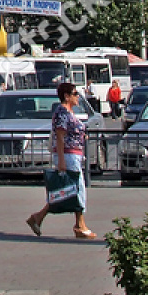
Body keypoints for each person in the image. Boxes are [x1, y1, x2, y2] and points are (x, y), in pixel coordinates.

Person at [25, 82, 96, 240]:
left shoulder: (69, 112)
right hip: (68, 155)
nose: (78, 97)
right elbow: (60, 136)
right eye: (75, 93)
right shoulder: (62, 112)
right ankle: (80, 226)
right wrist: (62, 160)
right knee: (76, 189)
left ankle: (38, 217)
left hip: (74, 154)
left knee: (67, 191)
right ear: (67, 96)